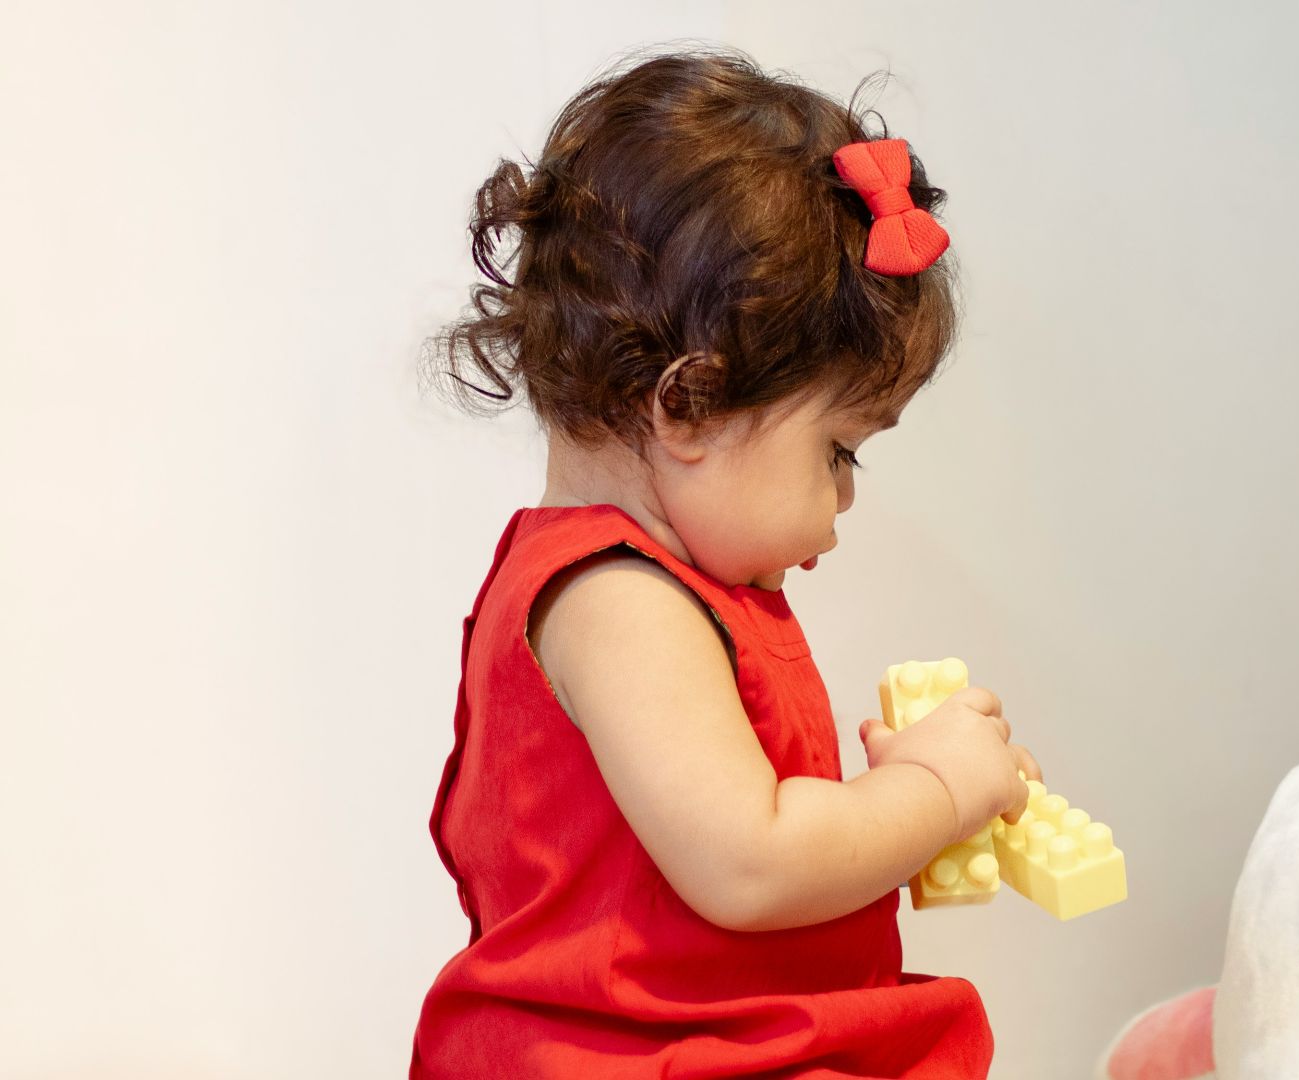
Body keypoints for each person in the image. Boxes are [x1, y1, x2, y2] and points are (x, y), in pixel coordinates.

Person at [409, 46, 1041, 1078]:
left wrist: (903, 806)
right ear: (689, 405)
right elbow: (750, 862)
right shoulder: (615, 598)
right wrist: (933, 790)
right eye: (838, 450)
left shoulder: (673, 590)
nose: (842, 500)